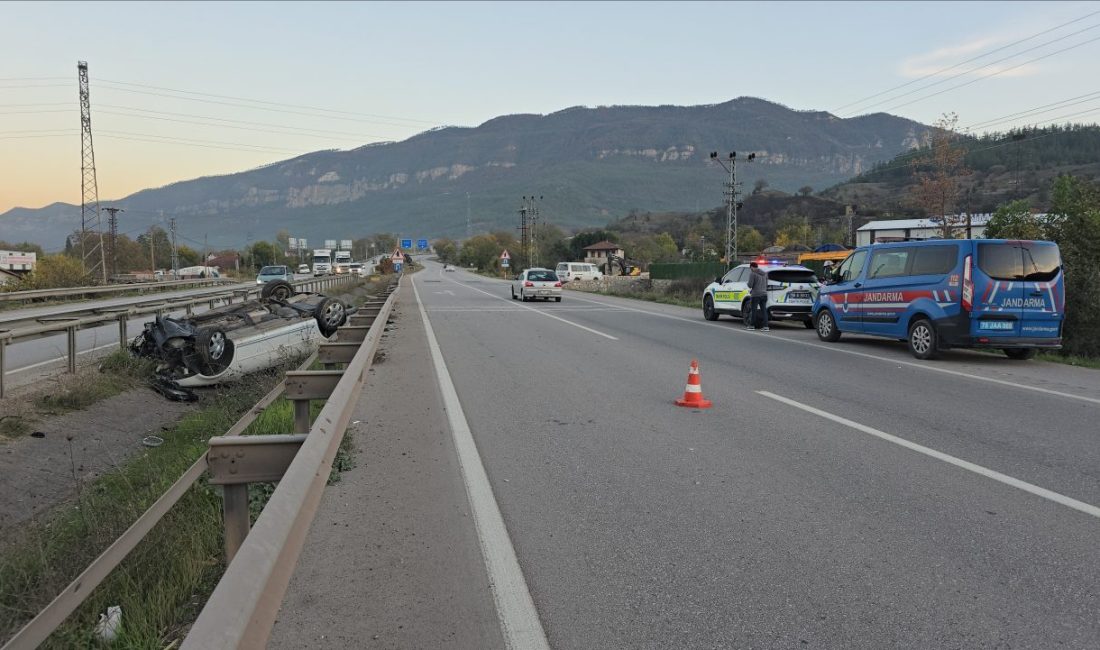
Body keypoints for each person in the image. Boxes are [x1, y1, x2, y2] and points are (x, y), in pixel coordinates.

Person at [746, 261, 769, 332]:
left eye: (750, 268)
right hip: (764, 294)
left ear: (752, 267)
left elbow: (750, 285)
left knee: (754, 310)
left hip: (756, 295)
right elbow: (766, 284)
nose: (750, 269)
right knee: (764, 311)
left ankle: (752, 326)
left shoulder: (753, 274)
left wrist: (748, 284)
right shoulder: (765, 274)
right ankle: (766, 327)